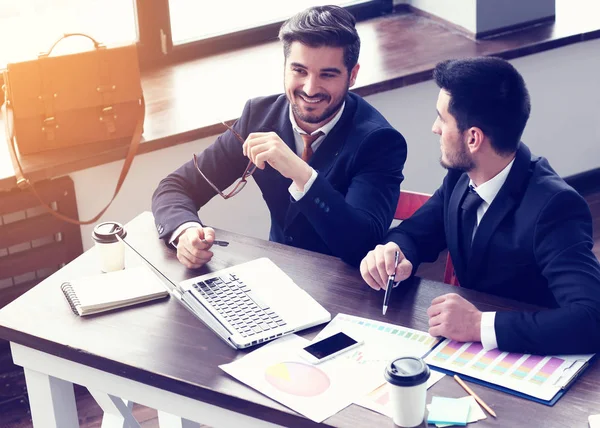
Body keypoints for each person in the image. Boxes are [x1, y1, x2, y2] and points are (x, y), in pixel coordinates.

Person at [360, 56, 600, 355]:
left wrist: (479, 325)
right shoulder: (460, 176)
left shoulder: (555, 207)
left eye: (442, 118)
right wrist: (395, 253)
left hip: (531, 355)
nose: (435, 128)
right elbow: (414, 233)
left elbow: (591, 319)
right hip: (467, 352)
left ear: (473, 138)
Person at [152, 5, 407, 269]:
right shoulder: (258, 116)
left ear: (352, 75)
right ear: (285, 67)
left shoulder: (380, 142)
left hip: (346, 285)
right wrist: (185, 231)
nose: (310, 88)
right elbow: (175, 187)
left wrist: (301, 173)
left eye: (327, 75)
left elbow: (361, 245)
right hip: (277, 272)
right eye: (299, 71)